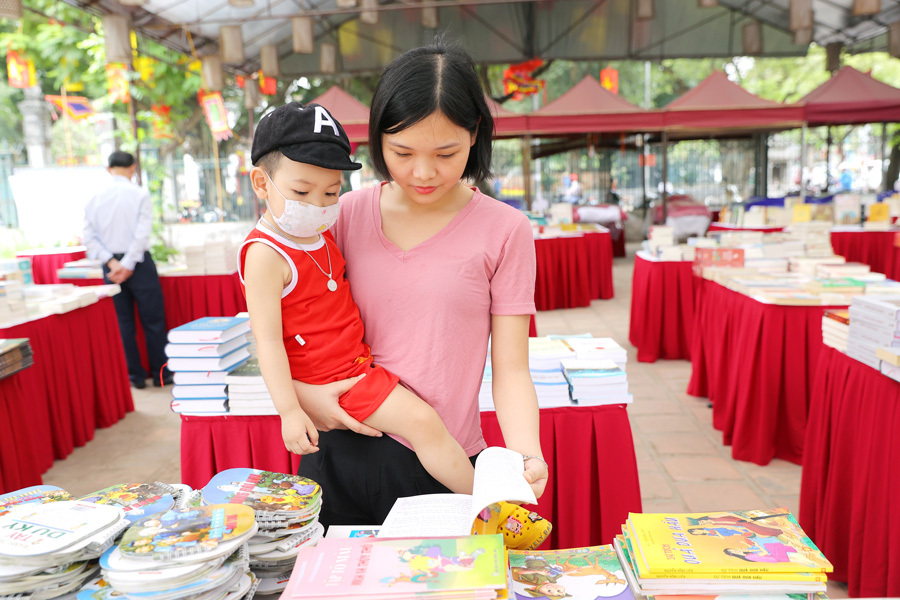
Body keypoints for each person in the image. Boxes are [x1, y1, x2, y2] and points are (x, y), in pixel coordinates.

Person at [290, 39, 548, 528]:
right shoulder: (341, 216)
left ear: (475, 135)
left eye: (445, 153)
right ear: (376, 140)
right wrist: (304, 396)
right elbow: (291, 327)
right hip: (340, 449)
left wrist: (526, 454)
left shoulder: (505, 230)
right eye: (402, 152)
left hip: (443, 463)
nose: (423, 173)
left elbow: (511, 369)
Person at [239, 102, 476, 496]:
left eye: (331, 192)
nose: (318, 204)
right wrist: (290, 410)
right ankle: (493, 512)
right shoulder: (266, 254)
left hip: (355, 364)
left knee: (426, 423)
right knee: (424, 423)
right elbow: (266, 339)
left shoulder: (317, 232)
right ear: (262, 183)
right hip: (336, 377)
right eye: (301, 191)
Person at [83, 151, 171, 389]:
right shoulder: (140, 193)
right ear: (133, 168)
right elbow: (143, 232)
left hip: (110, 267)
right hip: (139, 263)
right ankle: (161, 375)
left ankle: (135, 378)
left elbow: (88, 237)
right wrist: (128, 264)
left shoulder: (94, 197)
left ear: (108, 169)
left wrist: (113, 264)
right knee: (153, 322)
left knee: (123, 324)